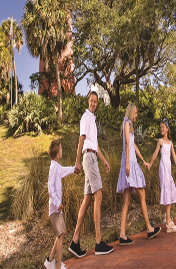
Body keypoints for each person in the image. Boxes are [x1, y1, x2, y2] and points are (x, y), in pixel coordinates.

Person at [68, 91, 114, 257]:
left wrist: (105, 161)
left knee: (87, 200)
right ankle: (98, 243)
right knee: (98, 196)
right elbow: (81, 139)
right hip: (88, 158)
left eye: (95, 101)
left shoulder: (93, 120)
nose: (93, 103)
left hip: (92, 156)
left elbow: (95, 146)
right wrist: (77, 161)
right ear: (88, 102)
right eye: (91, 101)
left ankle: (75, 241)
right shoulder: (86, 117)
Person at [117, 103, 161, 245]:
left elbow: (133, 145)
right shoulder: (127, 123)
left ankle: (122, 235)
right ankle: (149, 229)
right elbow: (127, 145)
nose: (137, 115)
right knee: (141, 194)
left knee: (127, 200)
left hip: (132, 162)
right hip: (129, 164)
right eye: (135, 113)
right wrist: (129, 163)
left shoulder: (129, 125)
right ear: (131, 112)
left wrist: (143, 161)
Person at [45, 138, 78, 269]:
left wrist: (74, 169)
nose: (62, 150)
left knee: (61, 233)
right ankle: (58, 265)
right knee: (62, 233)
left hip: (57, 208)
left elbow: (64, 170)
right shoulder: (53, 168)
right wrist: (58, 202)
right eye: (61, 149)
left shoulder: (56, 166)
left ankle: (50, 260)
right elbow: (50, 187)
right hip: (55, 208)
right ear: (58, 154)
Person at [147, 119, 176, 233]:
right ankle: (168, 222)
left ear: (167, 129)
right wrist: (150, 164)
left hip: (169, 169)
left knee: (172, 191)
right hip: (163, 169)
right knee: (167, 191)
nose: (161, 129)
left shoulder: (170, 143)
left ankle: (167, 217)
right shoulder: (160, 141)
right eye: (160, 127)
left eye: (163, 127)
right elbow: (155, 153)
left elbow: (175, 157)